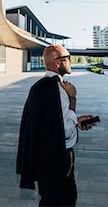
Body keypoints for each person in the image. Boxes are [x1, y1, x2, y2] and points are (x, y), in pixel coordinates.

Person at [16, 45, 96, 206]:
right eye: (67, 58)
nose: (71, 61)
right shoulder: (59, 89)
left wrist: (77, 121)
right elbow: (64, 130)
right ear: (57, 63)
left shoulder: (39, 86)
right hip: (58, 157)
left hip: (44, 156)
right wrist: (73, 98)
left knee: (49, 198)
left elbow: (50, 123)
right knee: (63, 199)